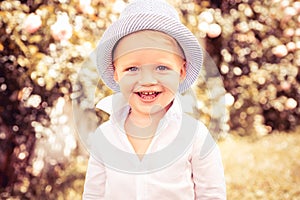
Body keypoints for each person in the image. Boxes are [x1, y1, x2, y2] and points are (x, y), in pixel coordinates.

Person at [82, 0, 226, 199]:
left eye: (162, 67)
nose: (147, 80)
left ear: (181, 70)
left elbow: (211, 194)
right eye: (132, 68)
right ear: (116, 73)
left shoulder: (195, 136)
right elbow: (93, 194)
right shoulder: (105, 136)